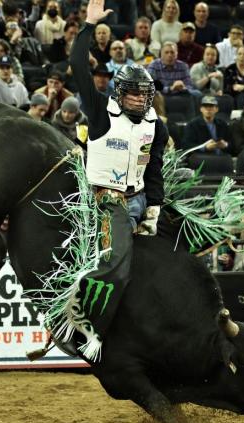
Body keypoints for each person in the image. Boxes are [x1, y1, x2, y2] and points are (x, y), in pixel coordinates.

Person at [68, 0, 169, 348]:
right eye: (134, 95)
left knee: (182, 245)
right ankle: (82, 319)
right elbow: (78, 66)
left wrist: (155, 207)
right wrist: (88, 27)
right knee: (117, 263)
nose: (140, 102)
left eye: (145, 96)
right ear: (119, 94)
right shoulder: (99, 112)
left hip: (140, 198)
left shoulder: (157, 127)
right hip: (106, 200)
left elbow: (154, 167)